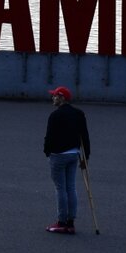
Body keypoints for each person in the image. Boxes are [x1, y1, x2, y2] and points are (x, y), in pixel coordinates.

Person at [42, 86, 90, 234]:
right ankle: (70, 222)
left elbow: (49, 137)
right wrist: (85, 157)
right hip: (74, 154)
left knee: (60, 188)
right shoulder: (79, 113)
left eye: (55, 96)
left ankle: (61, 221)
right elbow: (85, 136)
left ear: (62, 98)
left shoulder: (55, 116)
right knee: (71, 187)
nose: (53, 98)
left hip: (58, 156)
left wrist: (47, 151)